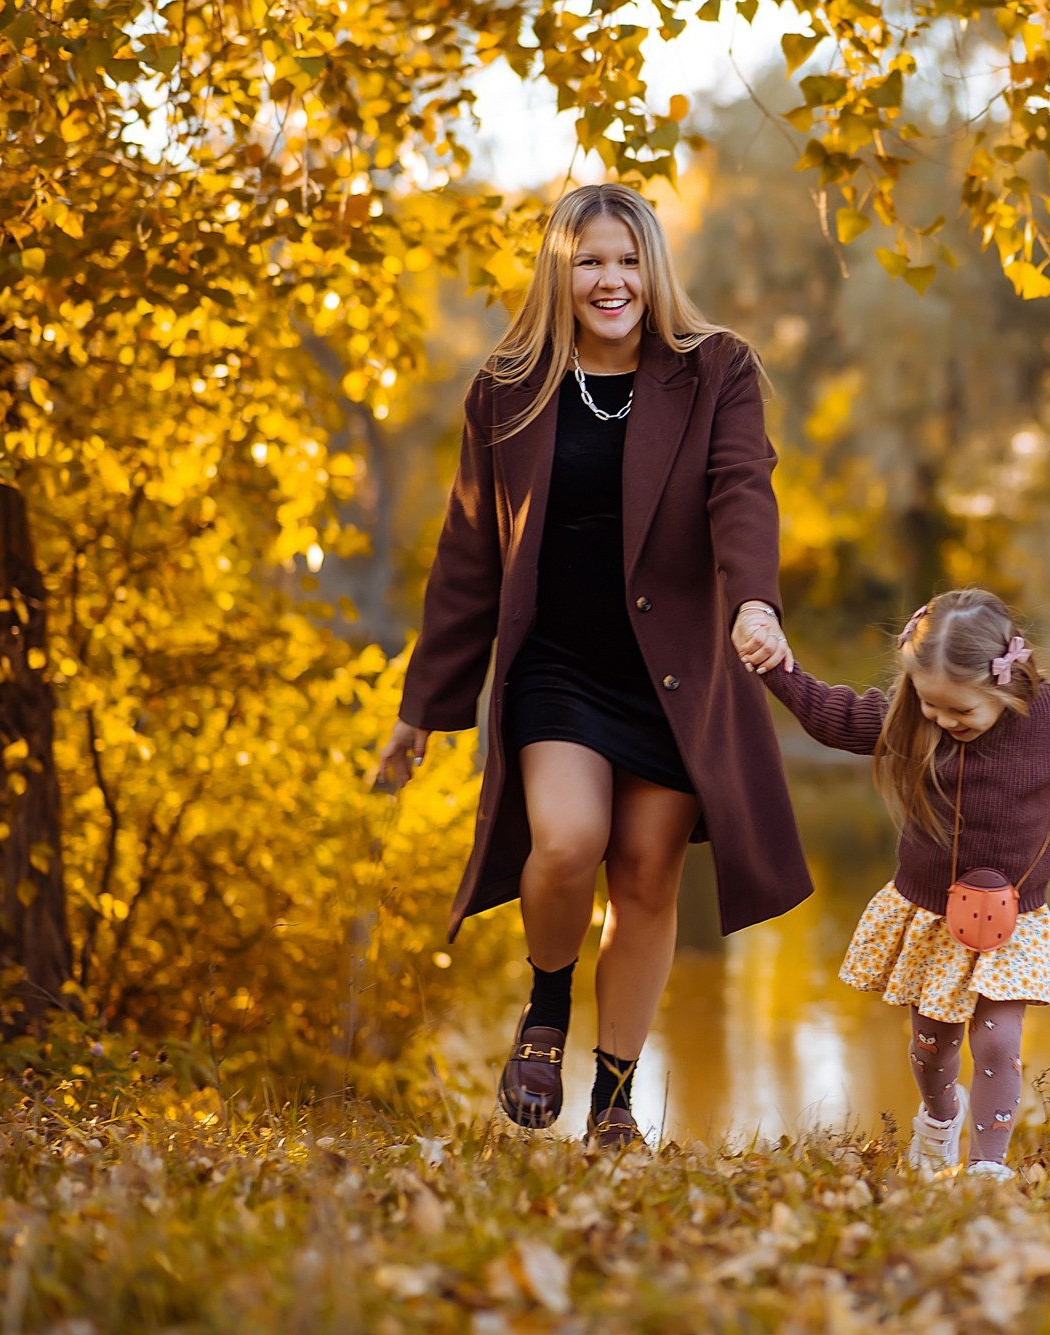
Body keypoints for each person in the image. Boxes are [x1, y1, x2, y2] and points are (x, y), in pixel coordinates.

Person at [371, 183, 811, 1148]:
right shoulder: (507, 386)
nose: (611, 281)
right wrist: (423, 706)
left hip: (677, 673)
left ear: (653, 269)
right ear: (560, 275)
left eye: (627, 261)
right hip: (559, 663)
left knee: (649, 875)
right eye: (591, 263)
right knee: (567, 840)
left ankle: (614, 1099)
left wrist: (753, 600)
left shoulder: (714, 370)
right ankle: (545, 1006)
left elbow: (744, 491)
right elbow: (469, 553)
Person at [742, 589, 1050, 1179]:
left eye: (961, 712)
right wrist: (777, 666)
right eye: (932, 708)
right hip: (930, 913)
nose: (945, 723)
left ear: (1006, 686)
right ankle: (938, 1118)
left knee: (999, 1045)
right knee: (934, 1048)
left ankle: (987, 1169)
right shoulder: (910, 716)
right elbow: (836, 716)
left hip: (1014, 919)